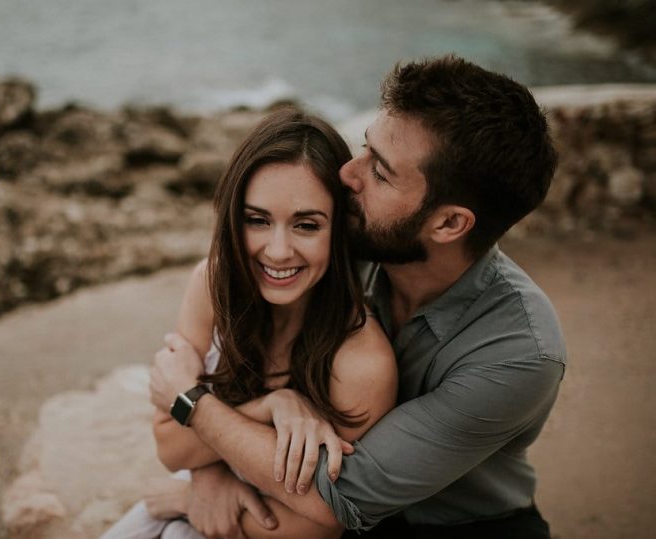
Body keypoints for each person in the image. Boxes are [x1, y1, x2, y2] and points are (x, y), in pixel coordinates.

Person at [149, 54, 565, 538]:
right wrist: (211, 473)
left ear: (448, 223)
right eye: (366, 146)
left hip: (458, 524)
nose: (348, 173)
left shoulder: (520, 353)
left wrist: (195, 412)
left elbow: (341, 496)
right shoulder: (348, 239)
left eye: (381, 172)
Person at [104, 108, 397, 539]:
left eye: (306, 225)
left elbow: (324, 522)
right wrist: (267, 409)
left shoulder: (360, 363)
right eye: (257, 220)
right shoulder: (211, 285)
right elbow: (170, 448)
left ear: (338, 232)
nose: (277, 252)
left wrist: (190, 498)